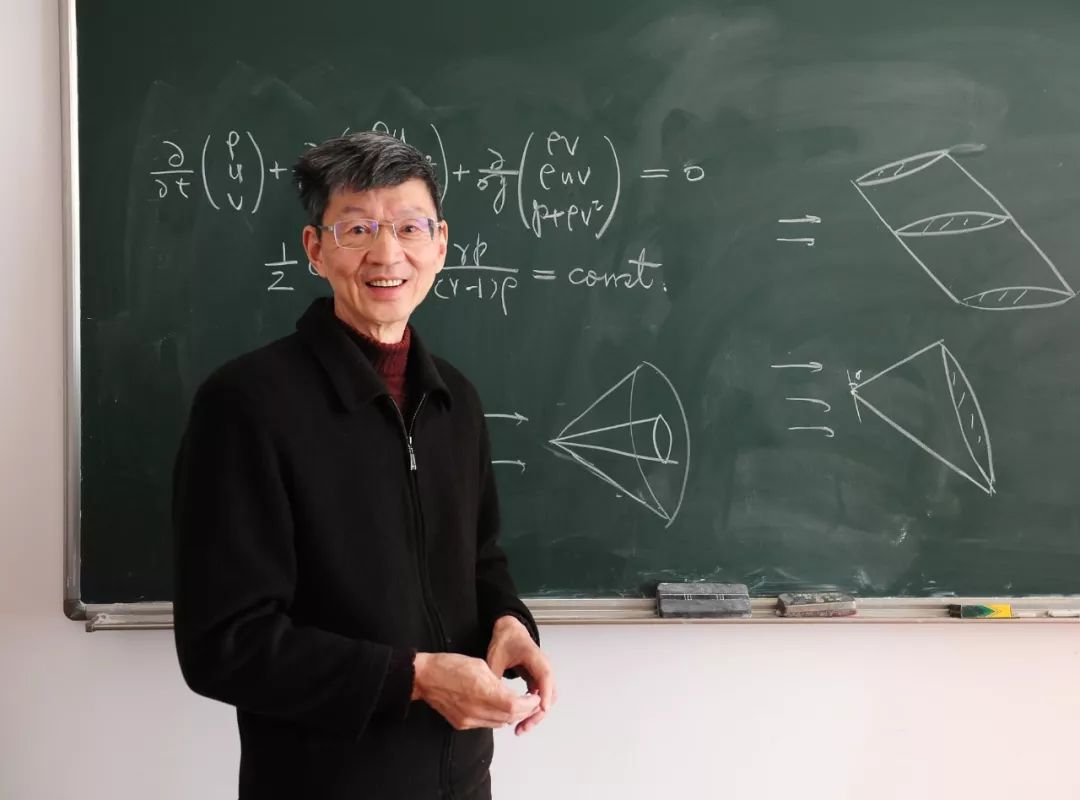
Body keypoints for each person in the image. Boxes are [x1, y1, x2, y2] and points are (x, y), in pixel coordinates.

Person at [172, 131, 556, 800]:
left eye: (409, 227)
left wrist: (510, 623)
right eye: (357, 229)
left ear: (441, 242)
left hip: (462, 784)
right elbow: (224, 644)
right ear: (315, 248)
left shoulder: (455, 400)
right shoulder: (247, 404)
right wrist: (415, 678)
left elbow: (481, 562)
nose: (387, 254)